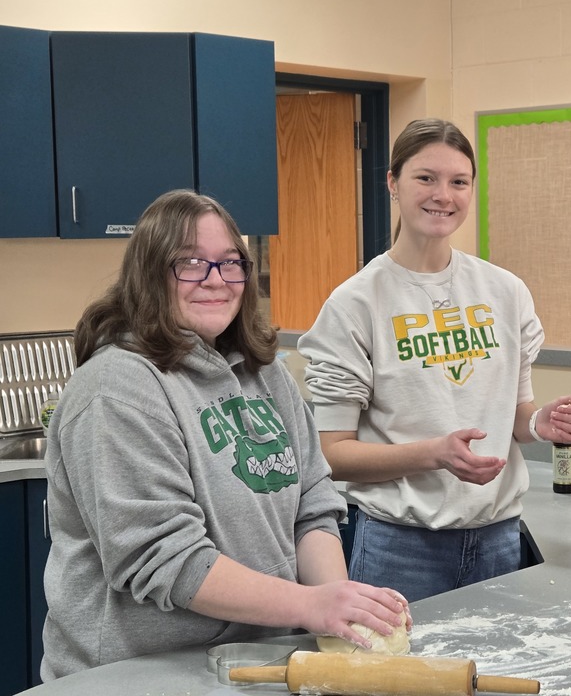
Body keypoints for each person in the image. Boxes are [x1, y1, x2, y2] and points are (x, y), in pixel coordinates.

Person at [41, 190, 408, 681]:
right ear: (150, 275)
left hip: (260, 663)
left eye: (231, 263)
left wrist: (336, 615)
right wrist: (308, 605)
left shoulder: (267, 375)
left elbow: (312, 506)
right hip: (138, 675)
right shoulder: (116, 389)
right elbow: (165, 557)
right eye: (191, 263)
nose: (216, 281)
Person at [298, 118, 571, 603]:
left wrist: (540, 423)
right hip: (399, 547)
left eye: (459, 182)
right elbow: (332, 454)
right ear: (392, 183)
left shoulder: (505, 292)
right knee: (398, 679)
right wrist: (434, 454)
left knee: (494, 674)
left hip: (499, 538)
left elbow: (512, 419)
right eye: (425, 178)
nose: (443, 195)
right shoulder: (356, 305)